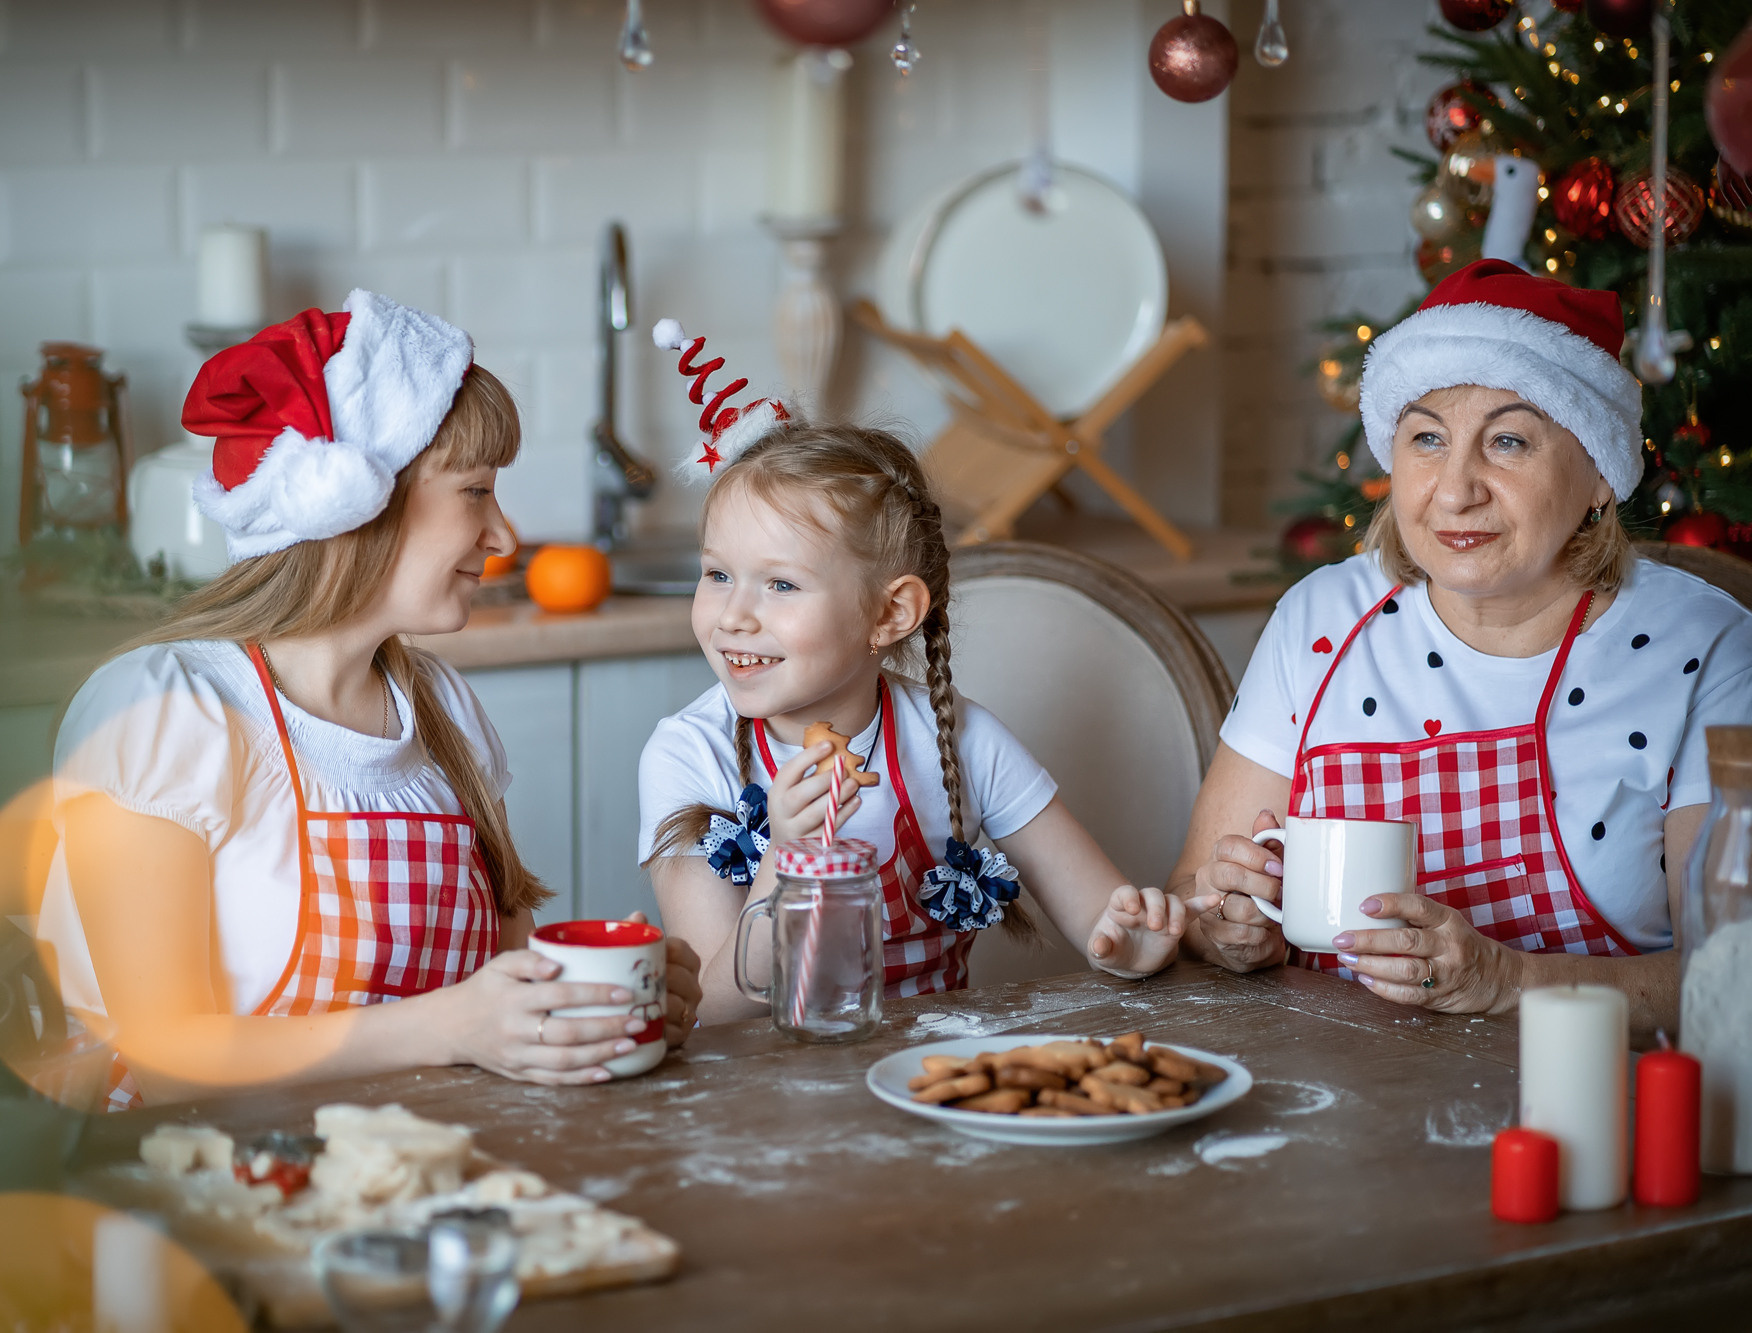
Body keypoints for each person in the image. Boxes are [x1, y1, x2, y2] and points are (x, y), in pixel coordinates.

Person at [39, 291, 699, 1107]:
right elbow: (165, 1055)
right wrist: (450, 1027)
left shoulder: (444, 713)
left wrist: (591, 1009)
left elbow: (496, 992)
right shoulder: (168, 713)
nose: (502, 535)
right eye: (476, 491)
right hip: (202, 1193)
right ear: (360, 503)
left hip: (418, 1173)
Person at [1171, 260, 1752, 1035]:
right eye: (1427, 439)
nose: (1454, 489)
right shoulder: (1321, 619)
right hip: (1325, 1105)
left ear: (1599, 475)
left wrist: (1510, 980)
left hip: (1589, 1104)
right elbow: (1192, 896)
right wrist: (1228, 926)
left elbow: (1731, 974)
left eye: (1508, 440)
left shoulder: (1702, 646)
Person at [637, 320, 1215, 1022]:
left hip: (929, 1085)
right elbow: (711, 1010)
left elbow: (1099, 914)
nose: (733, 615)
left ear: (890, 613)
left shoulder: (963, 741)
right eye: (717, 574)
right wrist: (783, 861)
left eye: (781, 585)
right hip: (761, 1100)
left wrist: (1131, 940)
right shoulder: (686, 755)